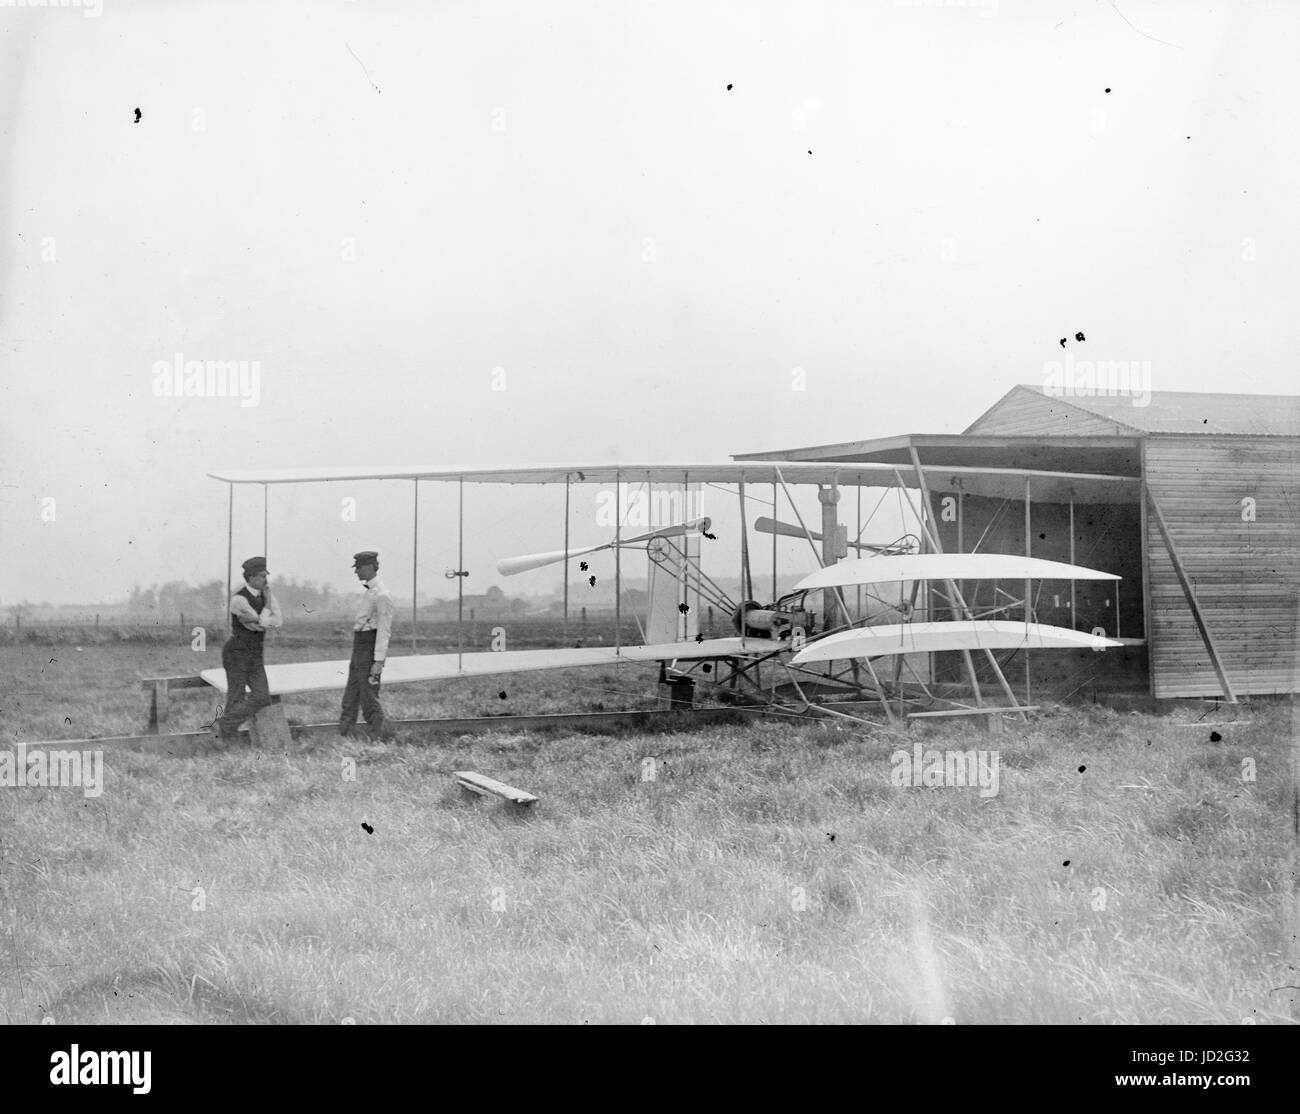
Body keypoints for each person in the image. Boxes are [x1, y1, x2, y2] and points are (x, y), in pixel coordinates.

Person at [216, 556, 282, 743]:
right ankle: (228, 740)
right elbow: (262, 623)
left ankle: (225, 724)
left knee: (262, 696)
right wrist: (266, 608)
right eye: (262, 576)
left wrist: (262, 618)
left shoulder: (266, 595)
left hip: (255, 653)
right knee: (235, 696)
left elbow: (277, 621)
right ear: (251, 577)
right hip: (237, 652)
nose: (266, 580)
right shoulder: (238, 599)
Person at [340, 550, 395, 739]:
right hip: (359, 647)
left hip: (369, 649)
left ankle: (376, 739)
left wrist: (378, 662)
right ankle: (345, 735)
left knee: (369, 697)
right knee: (351, 695)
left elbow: (384, 631)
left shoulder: (382, 595)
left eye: (359, 567)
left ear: (371, 567)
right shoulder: (369, 593)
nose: (356, 572)